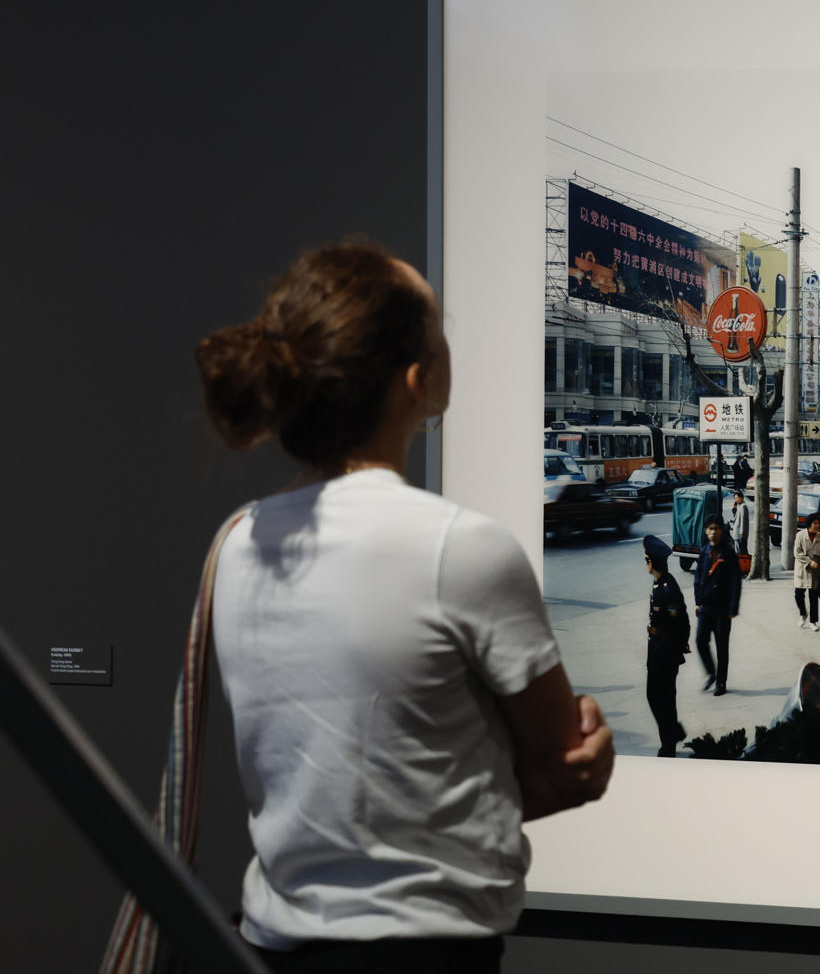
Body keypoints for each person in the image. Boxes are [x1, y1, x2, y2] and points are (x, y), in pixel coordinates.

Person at [195, 239, 612, 973]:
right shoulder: (463, 549)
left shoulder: (237, 544)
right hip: (429, 957)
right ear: (418, 380)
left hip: (269, 947)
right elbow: (563, 760)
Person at [641, 536, 689, 757]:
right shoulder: (660, 582)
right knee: (660, 697)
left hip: (665, 654)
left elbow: (681, 620)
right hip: (658, 650)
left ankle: (668, 744)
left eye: (646, 559)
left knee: (661, 698)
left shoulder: (668, 588)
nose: (645, 563)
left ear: (652, 562)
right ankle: (672, 733)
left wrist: (677, 647)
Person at [693, 517, 741, 696]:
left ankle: (721, 682)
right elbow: (698, 579)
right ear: (706, 531)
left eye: (716, 528)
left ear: (721, 530)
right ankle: (711, 673)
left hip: (722, 610)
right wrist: (697, 601)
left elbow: (736, 580)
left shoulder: (728, 553)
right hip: (705, 608)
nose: (713, 532)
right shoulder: (704, 551)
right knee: (700, 641)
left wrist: (733, 606)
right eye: (710, 528)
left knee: (722, 647)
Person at [792, 512, 820, 630]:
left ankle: (813, 621)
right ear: (809, 524)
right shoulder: (800, 535)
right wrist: (809, 561)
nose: (817, 525)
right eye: (815, 523)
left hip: (815, 572)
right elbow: (797, 553)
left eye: (818, 523)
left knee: (813, 597)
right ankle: (803, 613)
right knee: (798, 594)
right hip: (802, 569)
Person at [728, 488, 756, 566]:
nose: (736, 500)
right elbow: (736, 518)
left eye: (737, 498)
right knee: (740, 552)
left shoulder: (743, 507)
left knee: (741, 552)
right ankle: (742, 566)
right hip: (736, 533)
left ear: (742, 498)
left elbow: (744, 521)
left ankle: (743, 566)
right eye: (735, 498)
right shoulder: (739, 506)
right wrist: (734, 509)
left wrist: (742, 533)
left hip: (739, 534)